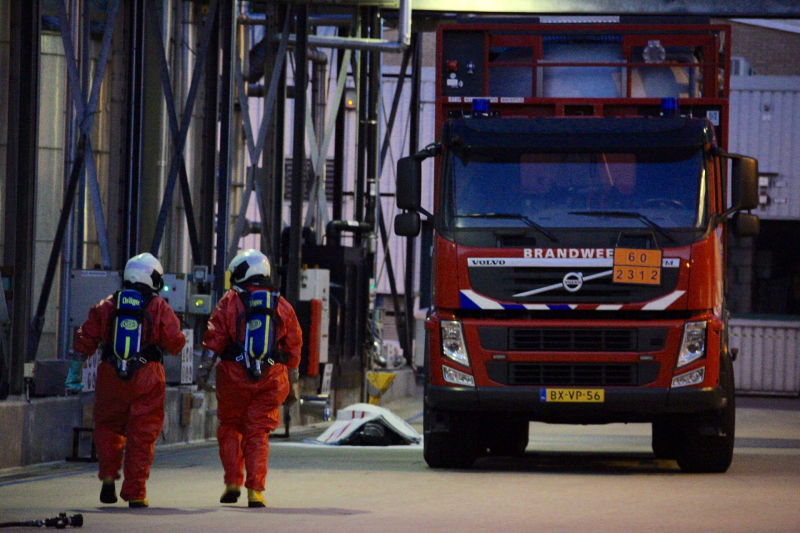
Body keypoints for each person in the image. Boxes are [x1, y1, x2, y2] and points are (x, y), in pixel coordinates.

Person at [68, 253, 186, 508]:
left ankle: (109, 477)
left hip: (110, 373)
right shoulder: (158, 307)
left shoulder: (107, 305)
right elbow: (175, 343)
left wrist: (75, 372)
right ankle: (135, 492)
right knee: (142, 435)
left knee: (108, 427)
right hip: (147, 375)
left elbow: (84, 338)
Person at [197, 249, 301, 508]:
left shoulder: (229, 301)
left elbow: (214, 338)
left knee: (230, 427)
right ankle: (255, 490)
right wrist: (293, 379)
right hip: (271, 377)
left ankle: (232, 482)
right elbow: (294, 346)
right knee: (258, 433)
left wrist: (204, 370)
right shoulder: (281, 304)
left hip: (233, 375)